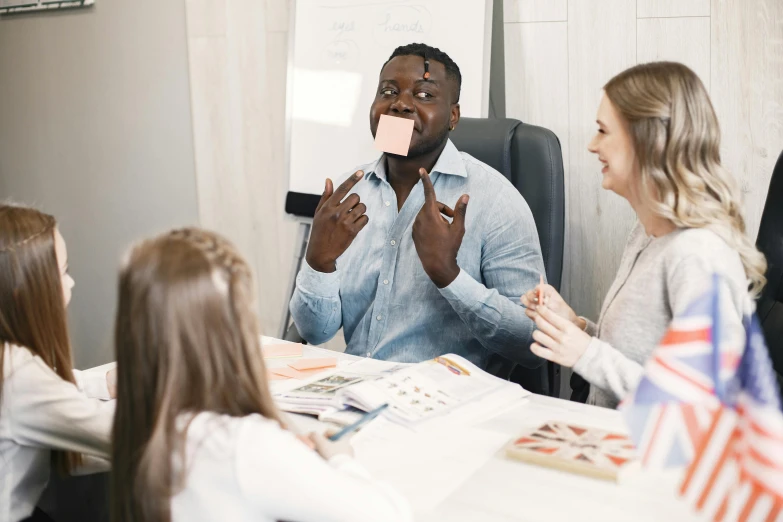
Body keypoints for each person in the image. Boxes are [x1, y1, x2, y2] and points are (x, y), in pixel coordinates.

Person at [110, 228, 411, 522]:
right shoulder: (242, 446)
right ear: (234, 329)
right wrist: (341, 459)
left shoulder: (137, 419)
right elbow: (389, 515)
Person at [290, 43, 545, 377]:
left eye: (424, 95)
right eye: (389, 91)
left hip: (449, 407)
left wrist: (448, 275)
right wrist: (318, 263)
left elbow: (533, 344)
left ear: (453, 116)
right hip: (354, 393)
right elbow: (315, 332)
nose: (401, 104)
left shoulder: (496, 201)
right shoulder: (348, 195)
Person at [521, 62, 767, 408]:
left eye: (603, 131)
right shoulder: (647, 231)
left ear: (646, 141)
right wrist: (576, 327)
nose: (592, 145)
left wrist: (586, 354)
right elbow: (636, 356)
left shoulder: (697, 254)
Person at [0, 204, 115, 522]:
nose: (72, 283)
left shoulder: (12, 363)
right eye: (63, 271)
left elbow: (44, 393)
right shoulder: (17, 375)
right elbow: (118, 435)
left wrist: (101, 382)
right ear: (26, 289)